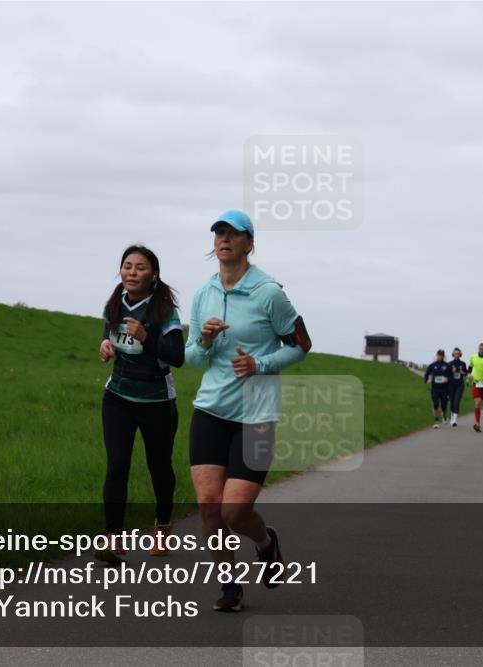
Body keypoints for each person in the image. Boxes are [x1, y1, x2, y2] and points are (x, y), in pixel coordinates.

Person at [185, 210, 310, 612]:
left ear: (249, 243)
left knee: (235, 511)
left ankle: (266, 542)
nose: (224, 239)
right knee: (209, 507)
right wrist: (204, 341)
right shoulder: (203, 294)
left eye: (233, 234)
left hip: (256, 414)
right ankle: (230, 587)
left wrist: (261, 364)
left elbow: (302, 345)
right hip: (210, 410)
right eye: (219, 233)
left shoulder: (269, 293)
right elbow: (191, 359)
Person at [96, 245, 184, 564]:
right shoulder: (114, 303)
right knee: (117, 463)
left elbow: (177, 357)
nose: (132, 272)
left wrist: (146, 337)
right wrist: (105, 346)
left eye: (140, 267)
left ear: (153, 275)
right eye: (127, 266)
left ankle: (162, 527)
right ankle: (113, 538)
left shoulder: (165, 311)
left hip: (156, 401)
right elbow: (109, 334)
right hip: (118, 396)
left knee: (158, 467)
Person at [423, 350, 452, 428]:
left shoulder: (447, 366)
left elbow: (451, 376)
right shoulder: (432, 365)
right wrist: (427, 380)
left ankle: (444, 413)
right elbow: (426, 374)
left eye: (441, 355)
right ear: (436, 356)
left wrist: (447, 379)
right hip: (435, 389)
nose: (440, 357)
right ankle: (436, 420)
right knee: (435, 404)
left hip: (444, 389)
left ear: (443, 356)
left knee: (444, 405)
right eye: (439, 355)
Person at [447, 347, 469, 427]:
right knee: (452, 402)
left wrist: (462, 372)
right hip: (451, 385)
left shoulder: (463, 364)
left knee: (457, 401)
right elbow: (446, 374)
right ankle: (452, 415)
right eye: (455, 353)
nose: (456, 355)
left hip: (459, 385)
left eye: (458, 354)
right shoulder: (449, 364)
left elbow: (466, 373)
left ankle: (455, 420)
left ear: (460, 354)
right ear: (453, 354)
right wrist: (451, 372)